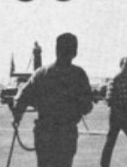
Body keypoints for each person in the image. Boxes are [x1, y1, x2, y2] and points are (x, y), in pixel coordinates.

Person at [12, 33, 94, 167]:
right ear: (74, 52)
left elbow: (22, 97)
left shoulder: (41, 73)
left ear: (56, 50)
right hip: (66, 133)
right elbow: (87, 107)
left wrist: (17, 117)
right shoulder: (78, 75)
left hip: (44, 132)